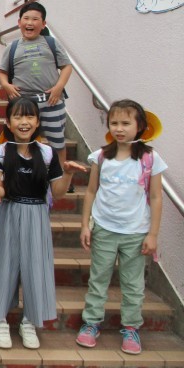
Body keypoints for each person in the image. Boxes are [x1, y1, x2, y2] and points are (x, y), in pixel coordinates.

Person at [0, 97, 86, 350]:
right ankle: (0, 319)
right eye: (18, 116)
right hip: (9, 211)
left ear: (38, 122)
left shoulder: (47, 153)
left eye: (29, 116)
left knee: (35, 266)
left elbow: (57, 193)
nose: (24, 122)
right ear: (8, 122)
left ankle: (29, 321)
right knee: (4, 263)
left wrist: (68, 173)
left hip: (38, 214)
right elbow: (1, 187)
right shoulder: (0, 152)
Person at [75, 99, 166, 355]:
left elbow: (156, 197)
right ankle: (91, 323)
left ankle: (131, 327)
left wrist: (153, 234)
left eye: (126, 123)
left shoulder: (150, 158)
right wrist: (85, 225)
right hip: (104, 228)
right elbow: (91, 191)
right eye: (114, 123)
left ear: (140, 126)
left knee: (133, 284)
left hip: (136, 233)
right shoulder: (101, 156)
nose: (119, 128)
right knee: (98, 279)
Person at [0, 2, 73, 165]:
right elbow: (2, 72)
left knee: (57, 143)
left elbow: (66, 66)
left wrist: (59, 87)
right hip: (22, 104)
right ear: (19, 22)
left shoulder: (51, 43)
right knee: (19, 142)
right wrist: (6, 85)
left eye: (35, 19)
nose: (30, 23)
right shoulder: (12, 47)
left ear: (43, 24)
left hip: (51, 101)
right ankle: (20, 173)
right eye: (26, 18)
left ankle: (59, 175)